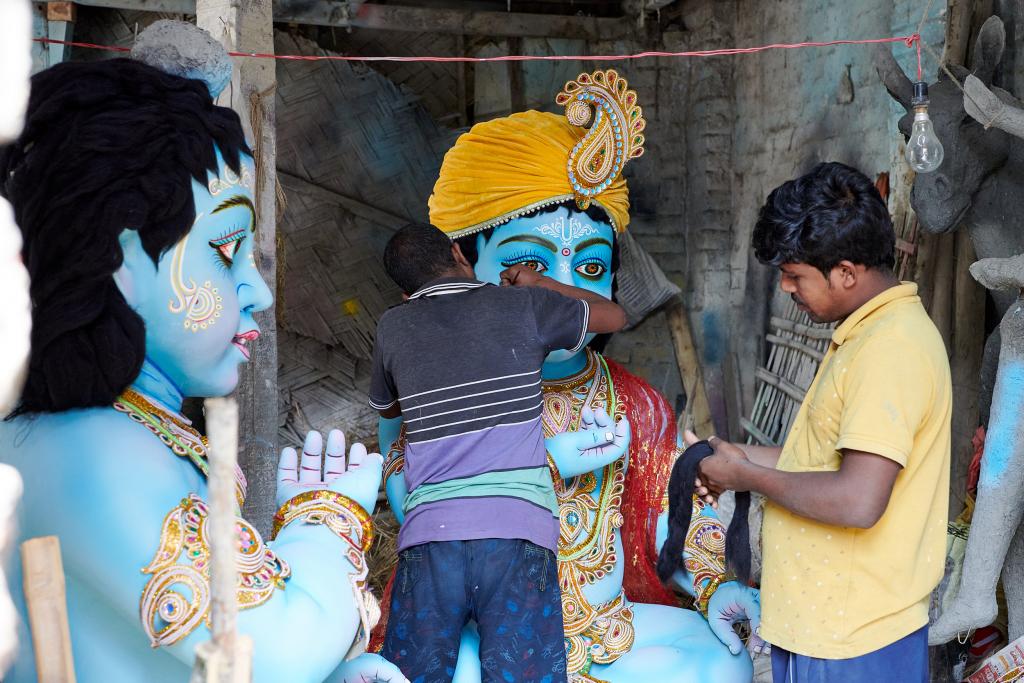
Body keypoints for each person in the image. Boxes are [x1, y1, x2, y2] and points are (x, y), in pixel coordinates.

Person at [0, 47, 403, 682]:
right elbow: (271, 655)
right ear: (120, 260)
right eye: (225, 249)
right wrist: (327, 517)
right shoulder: (94, 451)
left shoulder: (97, 434)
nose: (261, 292)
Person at [376, 68, 758, 683]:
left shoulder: (632, 400)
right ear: (466, 267)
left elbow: (670, 517)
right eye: (528, 263)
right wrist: (544, 461)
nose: (566, 290)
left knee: (718, 666)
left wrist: (712, 587)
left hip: (605, 627)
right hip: (484, 627)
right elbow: (414, 504)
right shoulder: (436, 376)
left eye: (590, 264)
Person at [690, 161, 951, 682]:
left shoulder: (890, 349)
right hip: (826, 626)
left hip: (855, 639)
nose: (786, 288)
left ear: (847, 273)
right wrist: (735, 454)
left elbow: (858, 499)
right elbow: (824, 463)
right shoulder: (866, 335)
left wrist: (746, 477)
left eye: (794, 276)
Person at [372, 222, 628, 683]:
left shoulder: (393, 326)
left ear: (405, 292)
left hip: (431, 539)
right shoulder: (521, 305)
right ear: (457, 253)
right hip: (518, 534)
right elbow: (614, 318)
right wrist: (540, 283)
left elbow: (389, 407)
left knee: (410, 677)